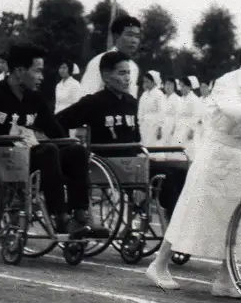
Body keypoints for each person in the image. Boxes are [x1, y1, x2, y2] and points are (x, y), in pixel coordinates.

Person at [146, 29, 241, 297]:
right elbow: (232, 108)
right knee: (192, 210)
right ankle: (159, 264)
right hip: (216, 154)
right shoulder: (227, 82)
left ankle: (225, 277)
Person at [0, 44, 107, 237]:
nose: (42, 77)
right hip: (2, 157)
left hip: (27, 157)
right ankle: (60, 218)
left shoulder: (34, 98)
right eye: (37, 71)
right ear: (20, 71)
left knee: (76, 151)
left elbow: (55, 130)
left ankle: (80, 216)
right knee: (48, 151)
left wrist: (72, 146)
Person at [56, 51, 187, 221]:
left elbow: (136, 136)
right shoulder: (93, 102)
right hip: (107, 162)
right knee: (165, 176)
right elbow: (59, 121)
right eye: (122, 73)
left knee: (181, 173)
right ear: (106, 76)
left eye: (129, 73)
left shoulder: (131, 102)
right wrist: (72, 147)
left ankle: (176, 221)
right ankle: (174, 226)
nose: (128, 79)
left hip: (130, 159)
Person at [81, 16, 141, 98]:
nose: (134, 40)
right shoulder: (99, 61)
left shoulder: (134, 68)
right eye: (129, 35)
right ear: (116, 36)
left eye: (137, 36)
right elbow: (85, 97)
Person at [173, 76, 202, 160]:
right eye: (180, 86)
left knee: (189, 149)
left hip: (189, 127)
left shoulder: (194, 99)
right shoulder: (180, 99)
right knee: (178, 149)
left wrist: (192, 130)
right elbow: (177, 114)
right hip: (180, 127)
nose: (181, 89)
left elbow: (197, 115)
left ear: (188, 87)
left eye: (183, 86)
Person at [138, 71, 165, 145]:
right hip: (145, 124)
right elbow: (141, 110)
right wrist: (140, 123)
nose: (145, 84)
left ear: (153, 82)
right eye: (144, 81)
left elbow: (162, 111)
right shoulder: (144, 94)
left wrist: (160, 128)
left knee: (154, 145)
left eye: (147, 81)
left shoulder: (159, 94)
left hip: (155, 125)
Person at [160, 77, 180, 145]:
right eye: (167, 84)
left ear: (174, 86)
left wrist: (175, 128)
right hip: (162, 125)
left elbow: (178, 115)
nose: (168, 87)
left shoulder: (177, 99)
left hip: (172, 125)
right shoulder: (162, 98)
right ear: (164, 86)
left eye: (171, 84)